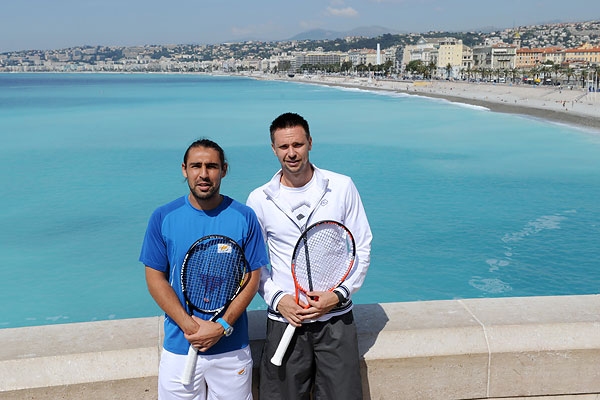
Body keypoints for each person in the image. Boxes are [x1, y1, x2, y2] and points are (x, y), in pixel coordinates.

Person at [246, 112, 373, 399]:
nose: (291, 153)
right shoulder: (259, 198)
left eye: (298, 145)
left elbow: (362, 246)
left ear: (310, 143)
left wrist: (338, 294)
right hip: (285, 320)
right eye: (284, 146)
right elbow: (254, 263)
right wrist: (279, 299)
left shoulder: (341, 186)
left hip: (336, 318)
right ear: (274, 149)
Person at [140, 138, 269, 400]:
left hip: (232, 349)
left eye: (211, 166)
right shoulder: (163, 217)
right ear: (184, 169)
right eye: (196, 166)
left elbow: (252, 278)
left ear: (224, 170)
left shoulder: (244, 216)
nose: (203, 174)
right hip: (180, 346)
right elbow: (155, 279)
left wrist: (222, 326)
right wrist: (189, 326)